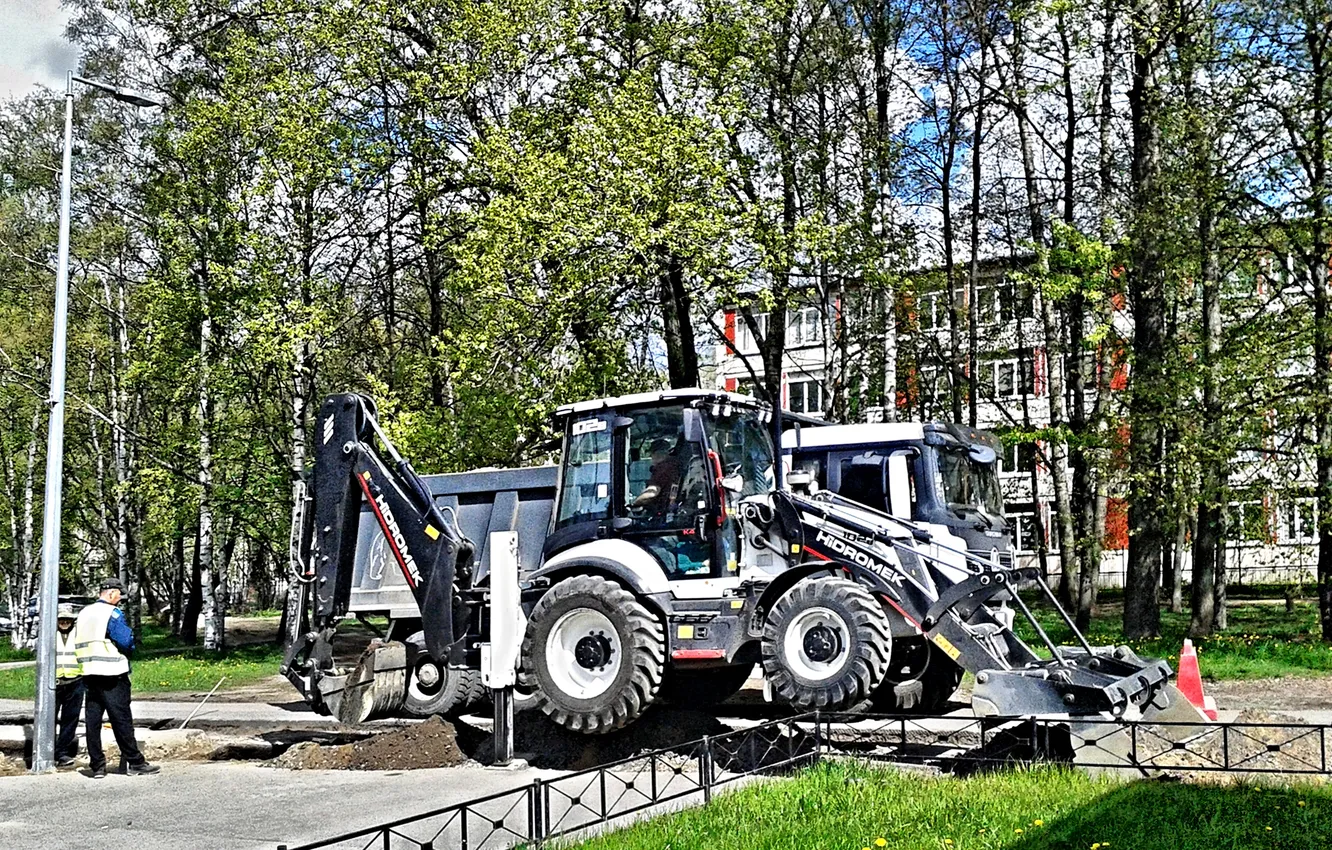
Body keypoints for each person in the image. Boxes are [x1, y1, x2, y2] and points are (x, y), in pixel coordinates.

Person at [73, 577, 159, 777]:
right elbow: (125, 640)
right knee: (121, 720)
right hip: (112, 674)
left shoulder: (84, 612)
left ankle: (97, 766)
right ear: (111, 593)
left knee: (93, 722)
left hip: (88, 672)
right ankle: (135, 763)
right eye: (120, 596)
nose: (120, 600)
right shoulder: (111, 613)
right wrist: (132, 648)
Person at [54, 602, 84, 768]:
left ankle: (62, 753)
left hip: (75, 682)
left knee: (70, 720)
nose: (64, 622)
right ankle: (46, 751)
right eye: (61, 619)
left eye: (67, 619)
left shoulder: (79, 635)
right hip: (54, 683)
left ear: (72, 620)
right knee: (49, 719)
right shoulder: (49, 634)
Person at [631, 438, 682, 518]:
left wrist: (634, 503)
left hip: (662, 512)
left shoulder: (662, 469)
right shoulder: (675, 466)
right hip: (671, 508)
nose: (651, 458)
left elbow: (652, 493)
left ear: (657, 454)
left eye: (651, 454)